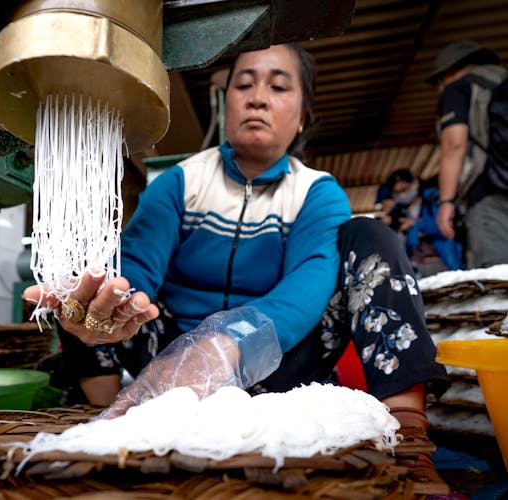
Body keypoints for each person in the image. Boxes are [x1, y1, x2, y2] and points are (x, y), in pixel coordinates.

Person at [25, 44, 449, 485]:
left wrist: (229, 343)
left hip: (284, 366)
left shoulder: (316, 193)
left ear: (302, 115)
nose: (257, 97)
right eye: (243, 84)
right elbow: (137, 266)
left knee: (372, 235)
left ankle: (410, 435)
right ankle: (108, 422)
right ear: (226, 104)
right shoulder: (181, 181)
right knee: (89, 280)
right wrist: (108, 302)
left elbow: (306, 290)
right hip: (174, 365)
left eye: (279, 86)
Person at [427, 39, 508, 268]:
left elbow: (454, 145)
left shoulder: (458, 89)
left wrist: (446, 202)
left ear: (450, 72)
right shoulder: (499, 81)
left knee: (497, 275)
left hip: (491, 192)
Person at [379, 169, 463, 275]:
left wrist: (415, 225)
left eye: (404, 189)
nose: (402, 195)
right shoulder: (399, 211)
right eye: (397, 192)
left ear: (415, 184)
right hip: (417, 266)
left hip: (443, 260)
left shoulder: (434, 199)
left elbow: (445, 226)